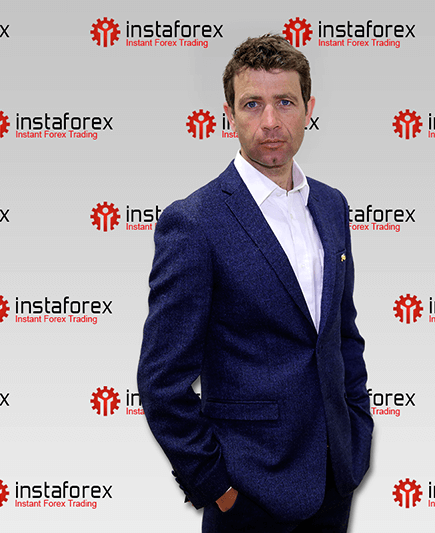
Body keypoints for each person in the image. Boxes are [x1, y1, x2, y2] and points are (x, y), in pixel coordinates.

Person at [138, 34, 372, 532]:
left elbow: (341, 336)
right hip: (249, 494)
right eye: (252, 104)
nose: (270, 121)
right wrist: (216, 487)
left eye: (285, 102)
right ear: (229, 115)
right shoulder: (195, 222)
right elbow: (161, 382)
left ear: (309, 110)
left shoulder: (332, 206)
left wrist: (357, 434)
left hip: (335, 480)